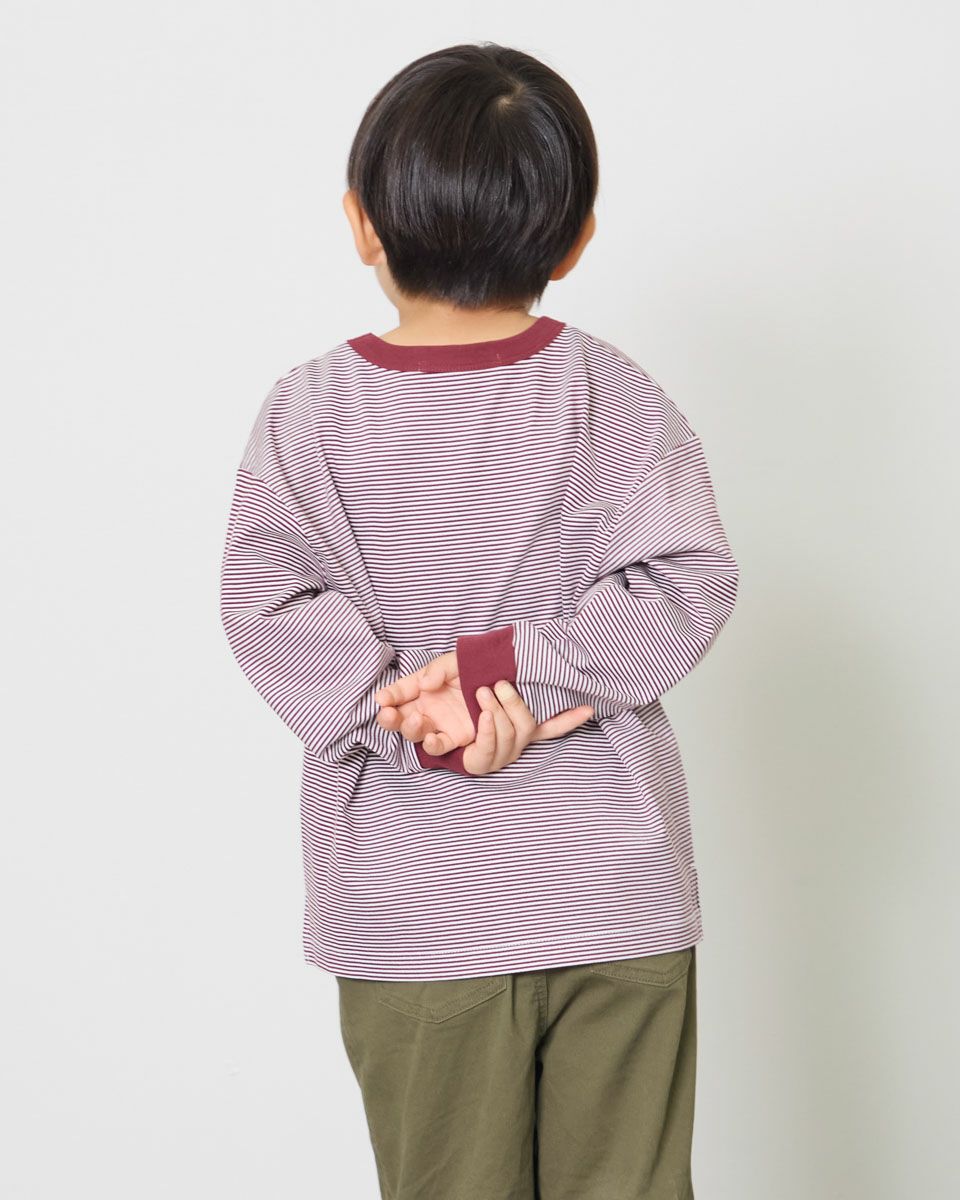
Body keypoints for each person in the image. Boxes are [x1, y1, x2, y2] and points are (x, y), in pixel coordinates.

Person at [219, 40, 739, 1200]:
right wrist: (514, 679)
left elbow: (267, 602)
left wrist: (422, 708)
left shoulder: (307, 413)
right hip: (613, 893)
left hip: (412, 912)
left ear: (362, 223)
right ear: (576, 238)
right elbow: (685, 580)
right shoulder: (615, 396)